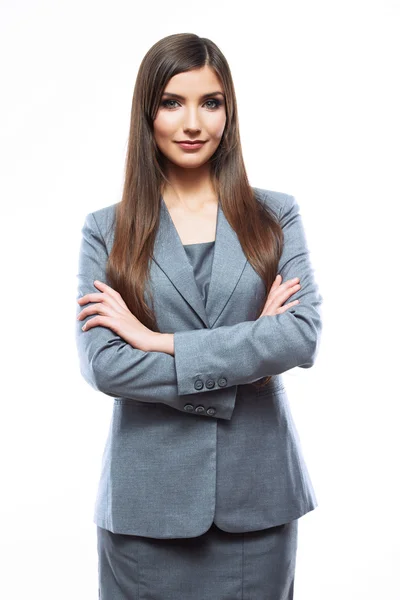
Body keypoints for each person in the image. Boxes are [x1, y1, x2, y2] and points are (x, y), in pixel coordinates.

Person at [75, 32, 323, 600]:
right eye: (172, 102)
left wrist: (157, 341)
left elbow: (301, 337)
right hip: (146, 512)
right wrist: (253, 352)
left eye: (210, 102)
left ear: (228, 113)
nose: (193, 123)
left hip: (256, 505)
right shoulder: (105, 231)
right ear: (148, 113)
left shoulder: (275, 216)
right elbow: (106, 368)